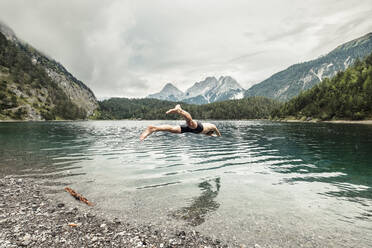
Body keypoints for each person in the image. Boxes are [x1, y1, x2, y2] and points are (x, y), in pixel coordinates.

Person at [140, 104, 221, 141]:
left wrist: (213, 136)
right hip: (199, 127)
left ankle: (154, 128)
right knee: (190, 122)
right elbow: (218, 134)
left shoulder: (209, 133)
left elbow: (213, 135)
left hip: (191, 130)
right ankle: (180, 110)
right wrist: (219, 136)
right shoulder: (212, 126)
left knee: (172, 129)